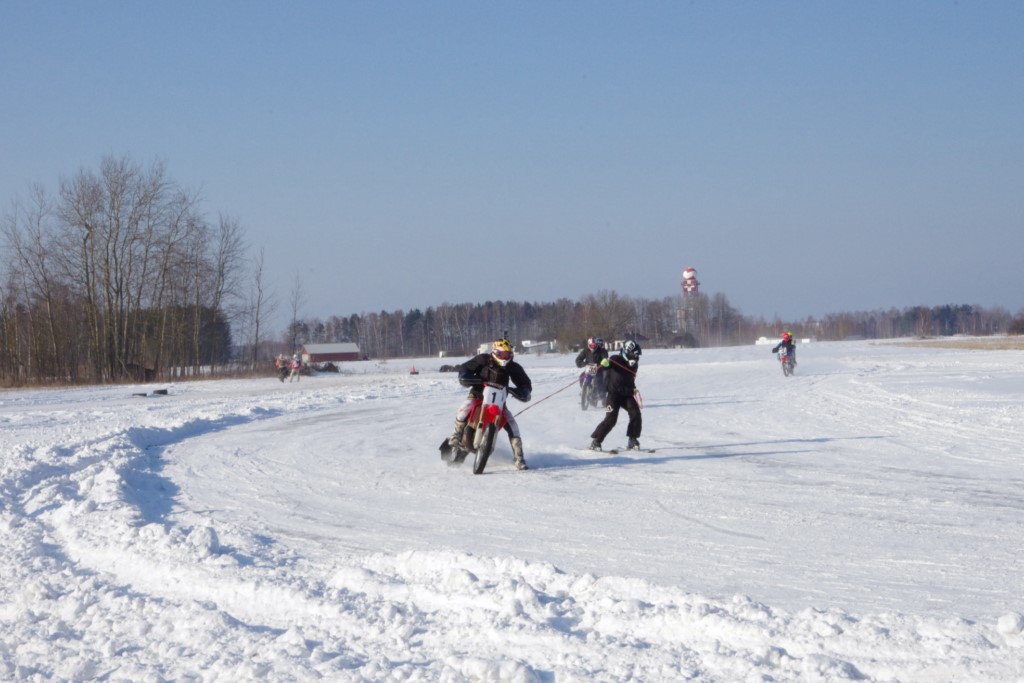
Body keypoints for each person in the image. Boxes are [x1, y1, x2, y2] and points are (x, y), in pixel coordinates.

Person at [447, 338, 533, 470]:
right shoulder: (483, 359)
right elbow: (465, 368)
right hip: (478, 395)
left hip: (499, 402)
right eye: (502, 354)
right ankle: (456, 435)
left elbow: (525, 382)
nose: (504, 357)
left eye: (507, 354)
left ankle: (519, 459)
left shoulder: (512, 367)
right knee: (465, 407)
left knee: (513, 425)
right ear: (495, 352)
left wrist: (524, 391)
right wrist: (466, 376)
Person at [590, 340, 642, 451]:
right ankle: (596, 441)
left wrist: (633, 387)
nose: (636, 358)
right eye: (634, 355)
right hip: (613, 395)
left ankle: (632, 440)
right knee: (611, 420)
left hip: (627, 395)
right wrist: (604, 363)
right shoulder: (615, 359)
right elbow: (607, 365)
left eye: (637, 356)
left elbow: (630, 378)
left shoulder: (634, 365)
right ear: (627, 352)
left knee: (636, 414)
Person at [575, 336, 609, 401]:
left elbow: (605, 357)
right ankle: (584, 391)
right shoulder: (586, 351)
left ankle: (602, 395)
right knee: (581, 376)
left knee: (599, 380)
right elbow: (578, 360)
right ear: (588, 345)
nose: (593, 347)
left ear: (597, 344)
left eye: (594, 345)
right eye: (591, 345)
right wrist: (584, 364)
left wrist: (604, 361)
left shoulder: (601, 350)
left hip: (599, 369)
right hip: (589, 369)